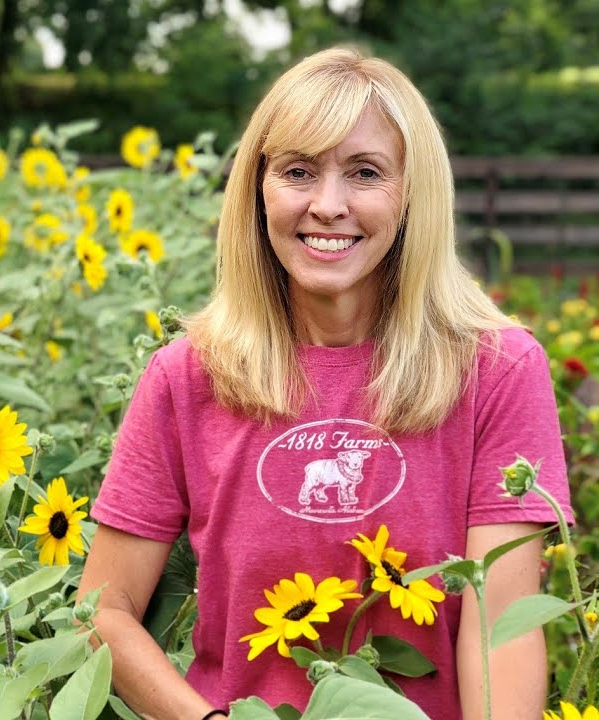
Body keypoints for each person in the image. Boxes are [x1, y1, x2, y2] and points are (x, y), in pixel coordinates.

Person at [79, 47, 573, 719]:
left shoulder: (498, 371)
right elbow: (102, 614)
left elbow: (502, 630)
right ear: (258, 188)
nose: (328, 205)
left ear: (412, 192)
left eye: (365, 172)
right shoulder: (187, 376)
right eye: (299, 171)